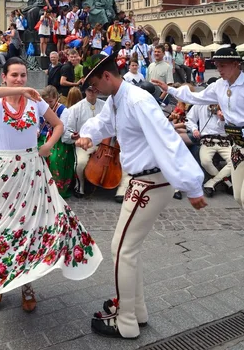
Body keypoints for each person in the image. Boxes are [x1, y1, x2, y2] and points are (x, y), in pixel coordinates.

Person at [76, 54, 206, 339]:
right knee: (126, 249)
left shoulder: (136, 100)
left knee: (121, 250)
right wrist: (88, 135)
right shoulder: (117, 99)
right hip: (146, 180)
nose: (94, 91)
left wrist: (192, 185)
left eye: (96, 84)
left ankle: (126, 322)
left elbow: (166, 139)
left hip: (150, 181)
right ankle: (136, 312)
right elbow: (104, 124)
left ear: (108, 77)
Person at [0, 57, 102, 311]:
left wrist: (47, 145)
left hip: (34, 169)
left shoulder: (35, 101)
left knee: (31, 228)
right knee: (2, 227)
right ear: (5, 77)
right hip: (7, 171)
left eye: (23, 75)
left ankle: (26, 285)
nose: (20, 79)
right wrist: (20, 90)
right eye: (15, 75)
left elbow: (58, 124)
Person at [153, 45, 244, 206]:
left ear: (236, 64)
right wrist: (170, 90)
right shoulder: (218, 86)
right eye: (217, 66)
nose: (219, 70)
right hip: (237, 146)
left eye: (223, 66)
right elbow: (196, 97)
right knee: (238, 195)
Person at [63, 86, 105, 197]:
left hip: (103, 144)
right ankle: (80, 185)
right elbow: (69, 128)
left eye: (95, 90)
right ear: (85, 91)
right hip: (84, 144)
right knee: (80, 163)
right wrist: (73, 135)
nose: (92, 92)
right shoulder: (76, 108)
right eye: (89, 90)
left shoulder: (105, 106)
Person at [186, 104, 233, 197]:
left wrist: (224, 119)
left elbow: (235, 123)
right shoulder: (199, 105)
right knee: (205, 161)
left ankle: (211, 183)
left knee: (234, 161)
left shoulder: (226, 104)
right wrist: (194, 129)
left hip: (224, 141)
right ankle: (226, 182)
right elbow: (189, 119)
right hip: (207, 141)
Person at [39, 85, 74, 198]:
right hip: (42, 138)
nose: (48, 104)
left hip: (58, 140)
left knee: (54, 159)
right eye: (46, 101)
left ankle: (56, 190)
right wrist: (37, 130)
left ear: (56, 98)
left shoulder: (62, 110)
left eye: (50, 101)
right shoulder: (40, 108)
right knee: (35, 155)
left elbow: (62, 128)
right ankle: (38, 188)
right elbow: (36, 123)